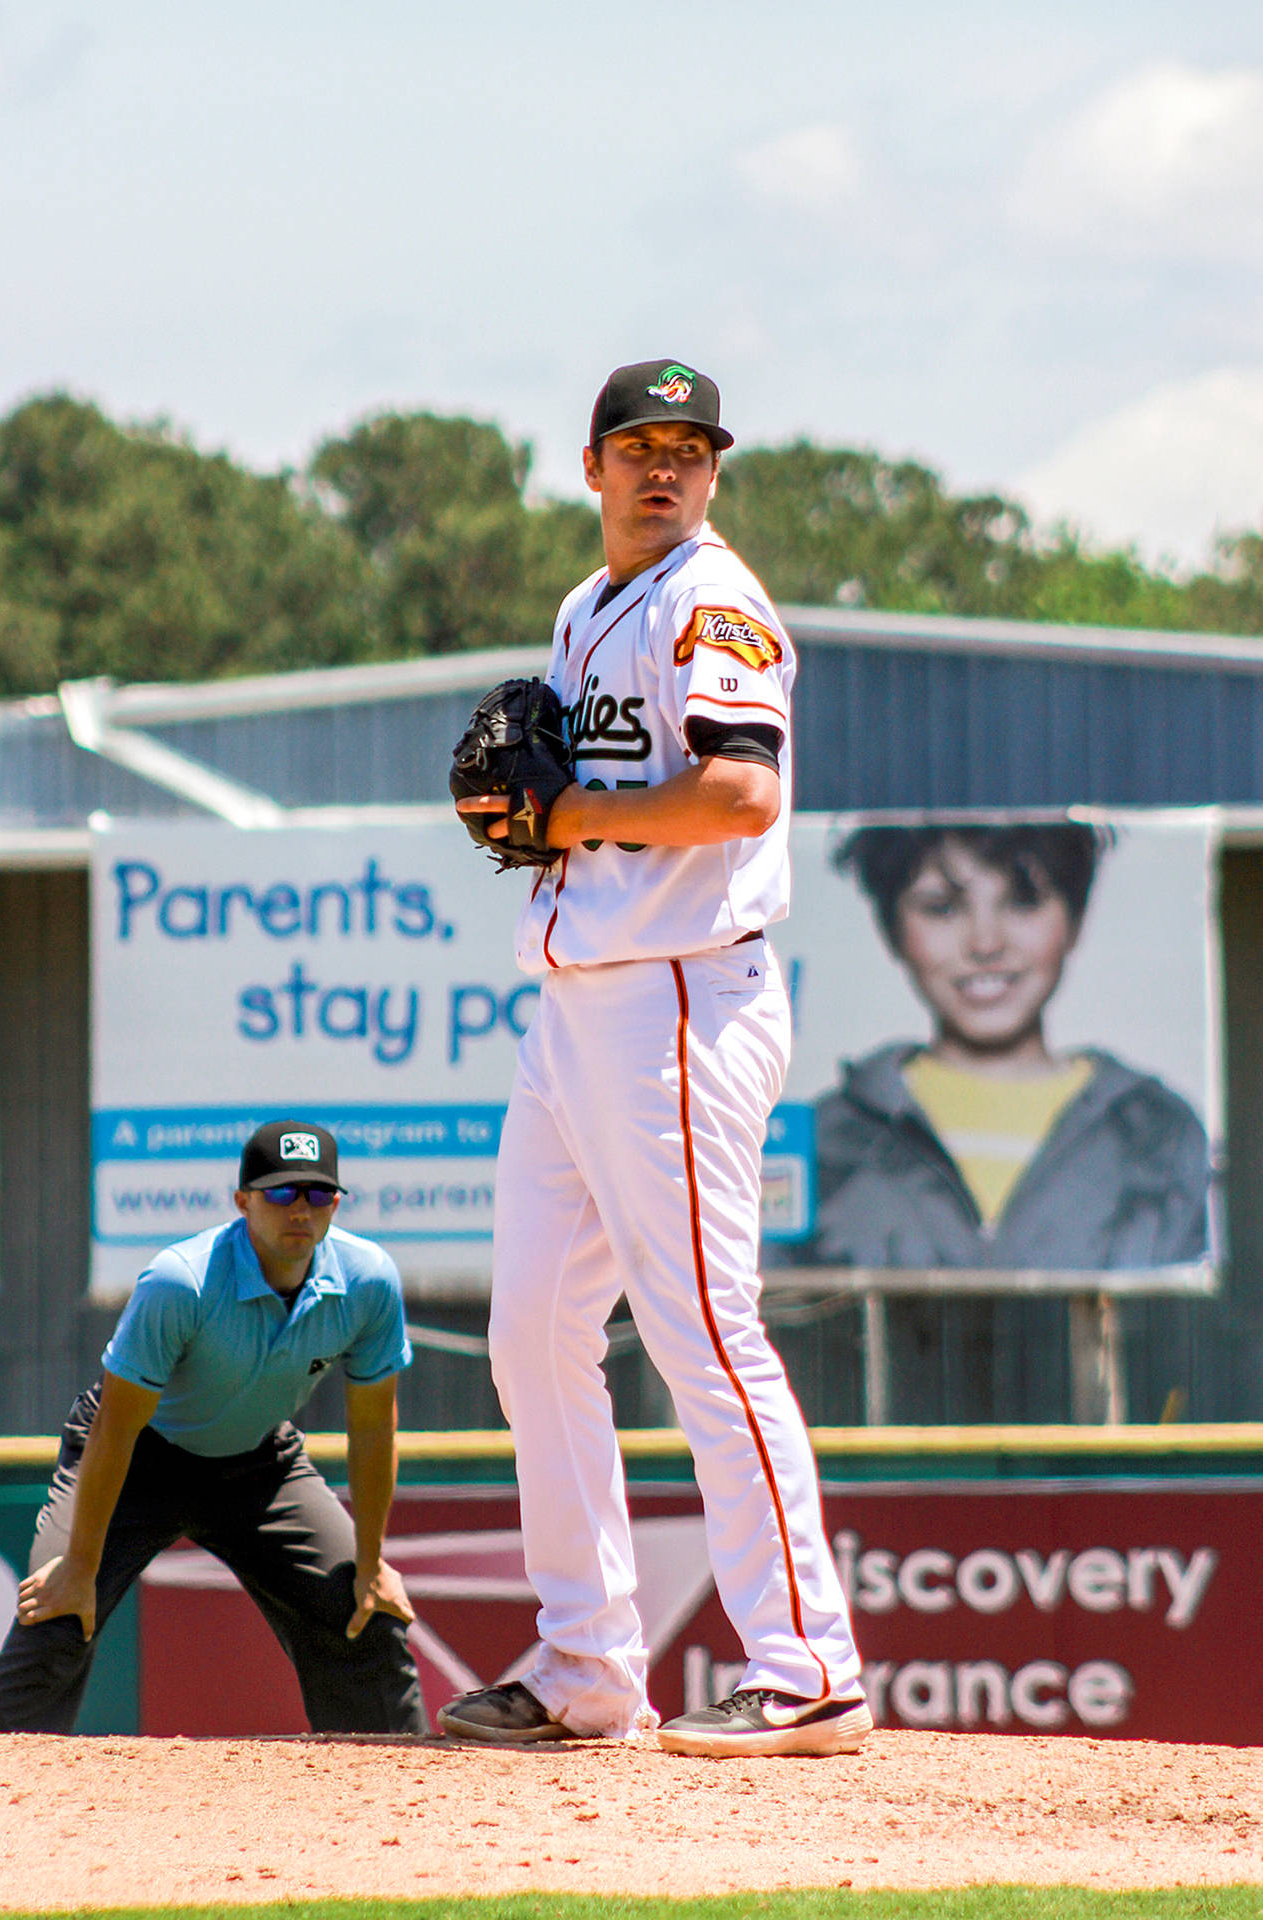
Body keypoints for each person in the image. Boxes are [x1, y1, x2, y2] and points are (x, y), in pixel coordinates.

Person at [442, 358, 871, 1759]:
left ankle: (804, 1663)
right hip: (579, 1007)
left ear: (714, 471)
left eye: (691, 448)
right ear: (593, 467)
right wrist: (564, 816)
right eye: (642, 446)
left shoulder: (712, 599)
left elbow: (741, 789)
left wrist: (569, 816)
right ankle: (587, 1669)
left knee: (704, 1331)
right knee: (532, 1334)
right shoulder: (589, 607)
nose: (666, 468)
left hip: (681, 1000)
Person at [0, 1120, 426, 1735]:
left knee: (364, 1611)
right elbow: (116, 1426)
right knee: (57, 1611)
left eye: (318, 1195)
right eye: (280, 1193)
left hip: (258, 1461)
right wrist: (80, 1567)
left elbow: (375, 1428)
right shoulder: (181, 1281)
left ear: (336, 1205)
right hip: (137, 1456)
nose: (300, 1209)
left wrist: (373, 1565)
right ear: (242, 1200)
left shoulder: (369, 1281)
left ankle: (399, 1805)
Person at [802, 823, 1211, 1270]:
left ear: (1075, 918)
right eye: (941, 909)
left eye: (1023, 901)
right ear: (892, 929)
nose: (986, 943)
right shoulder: (827, 1139)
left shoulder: (1156, 1133)